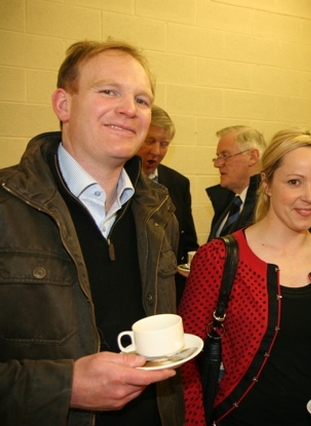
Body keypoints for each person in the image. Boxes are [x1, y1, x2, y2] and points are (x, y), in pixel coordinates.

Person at [0, 40, 184, 425]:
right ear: (63, 104)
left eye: (142, 100)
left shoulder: (159, 211)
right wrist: (64, 386)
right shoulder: (8, 207)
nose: (128, 110)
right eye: (108, 91)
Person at [180, 129, 311, 425]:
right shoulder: (219, 259)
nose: (309, 197)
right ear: (267, 184)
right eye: (294, 182)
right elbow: (187, 362)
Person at [138, 104, 199, 302]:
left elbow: (188, 241)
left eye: (164, 144)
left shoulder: (178, 183)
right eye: (150, 141)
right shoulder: (117, 179)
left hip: (169, 287)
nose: (156, 151)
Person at [206, 125, 266, 241]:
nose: (217, 164)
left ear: (252, 157)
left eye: (225, 156)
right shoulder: (228, 203)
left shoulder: (267, 206)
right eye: (217, 157)